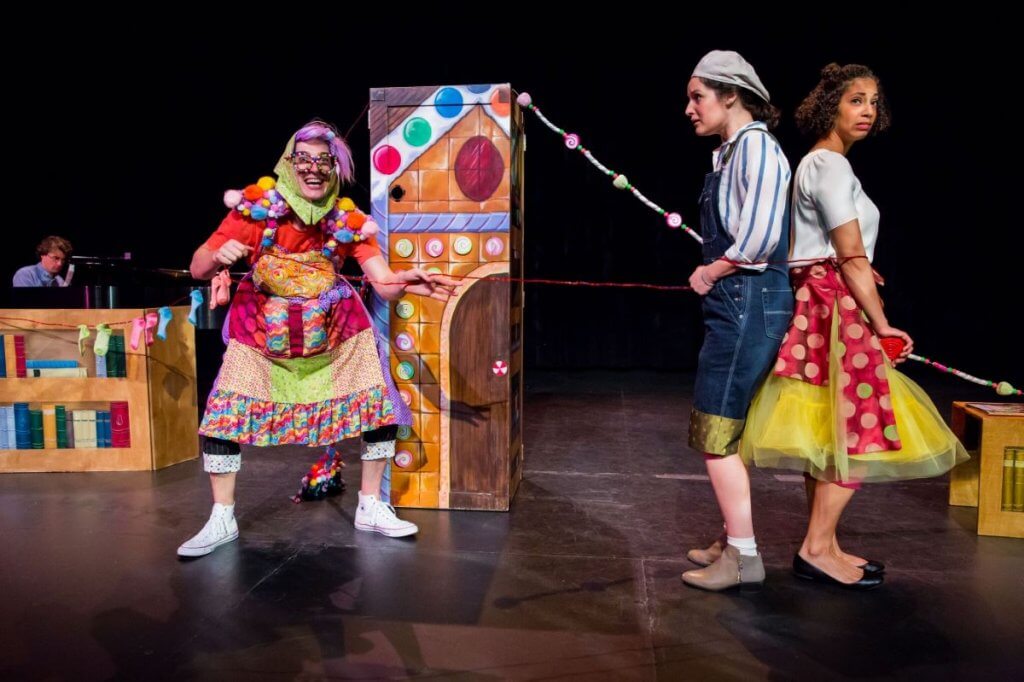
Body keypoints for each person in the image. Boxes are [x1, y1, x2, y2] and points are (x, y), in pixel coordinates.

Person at [177, 120, 458, 557]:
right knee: (223, 415)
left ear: (334, 170)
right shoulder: (256, 211)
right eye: (304, 159)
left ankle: (370, 505)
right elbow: (198, 267)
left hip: (334, 330)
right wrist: (218, 255)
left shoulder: (346, 220)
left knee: (378, 402)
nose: (313, 169)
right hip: (261, 332)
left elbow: (382, 282)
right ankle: (222, 517)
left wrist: (405, 281)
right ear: (288, 164)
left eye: (323, 161)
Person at [741, 64, 968, 588]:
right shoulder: (830, 166)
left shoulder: (819, 164)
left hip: (823, 302)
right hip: (834, 306)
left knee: (831, 434)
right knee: (861, 427)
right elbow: (850, 256)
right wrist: (882, 324)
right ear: (831, 107)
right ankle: (817, 548)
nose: (867, 110)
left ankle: (825, 544)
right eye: (856, 100)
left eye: (873, 101)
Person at [679, 51, 794, 591]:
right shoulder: (730, 153)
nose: (690, 108)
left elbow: (760, 239)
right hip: (739, 300)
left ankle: (744, 558)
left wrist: (711, 270)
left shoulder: (757, 148)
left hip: (748, 297)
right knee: (724, 426)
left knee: (716, 428)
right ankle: (733, 538)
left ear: (731, 96)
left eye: (697, 96)